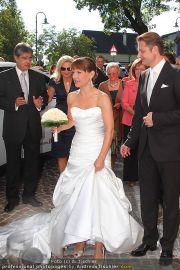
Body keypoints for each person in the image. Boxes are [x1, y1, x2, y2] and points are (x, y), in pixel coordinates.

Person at [0, 57, 143, 262]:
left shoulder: (102, 97)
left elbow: (110, 130)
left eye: (78, 72)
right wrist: (59, 126)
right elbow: (72, 121)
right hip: (77, 150)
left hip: (96, 149)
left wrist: (102, 158)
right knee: (77, 196)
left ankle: (99, 244)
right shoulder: (72, 98)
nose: (74, 76)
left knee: (97, 196)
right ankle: (79, 239)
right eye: (73, 72)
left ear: (91, 74)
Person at [120, 32, 180, 266]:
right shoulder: (143, 77)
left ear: (155, 50)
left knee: (170, 202)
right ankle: (149, 240)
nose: (139, 55)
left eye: (141, 50)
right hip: (146, 150)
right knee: (147, 199)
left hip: (171, 151)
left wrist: (159, 119)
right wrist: (129, 142)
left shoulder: (176, 75)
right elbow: (138, 117)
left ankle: (167, 246)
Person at [0, 43, 48, 213]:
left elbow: (44, 97)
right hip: (12, 128)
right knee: (12, 166)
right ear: (16, 58)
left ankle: (29, 195)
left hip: (32, 127)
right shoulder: (4, 77)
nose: (28, 62)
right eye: (24, 58)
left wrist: (39, 103)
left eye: (30, 58)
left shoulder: (38, 76)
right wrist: (12, 103)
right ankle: (12, 200)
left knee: (32, 164)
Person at [48, 55, 78, 173]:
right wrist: (38, 102)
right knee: (61, 153)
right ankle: (63, 181)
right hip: (58, 120)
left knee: (74, 152)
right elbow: (48, 98)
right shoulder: (54, 80)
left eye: (69, 68)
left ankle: (73, 181)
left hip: (75, 119)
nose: (66, 71)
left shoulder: (78, 79)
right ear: (59, 69)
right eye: (63, 68)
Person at [121, 58, 147, 186]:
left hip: (146, 123)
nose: (139, 71)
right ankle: (130, 178)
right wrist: (136, 114)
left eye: (142, 69)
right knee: (129, 150)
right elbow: (124, 103)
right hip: (129, 121)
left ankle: (145, 176)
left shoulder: (150, 84)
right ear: (133, 70)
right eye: (137, 69)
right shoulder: (128, 84)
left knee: (143, 151)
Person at [99, 62, 123, 169]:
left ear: (118, 72)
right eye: (109, 74)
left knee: (114, 145)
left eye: (114, 73)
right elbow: (97, 101)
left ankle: (111, 168)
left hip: (120, 118)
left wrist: (121, 104)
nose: (112, 76)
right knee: (105, 144)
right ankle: (104, 166)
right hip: (105, 119)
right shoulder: (102, 85)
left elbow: (130, 101)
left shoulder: (124, 84)